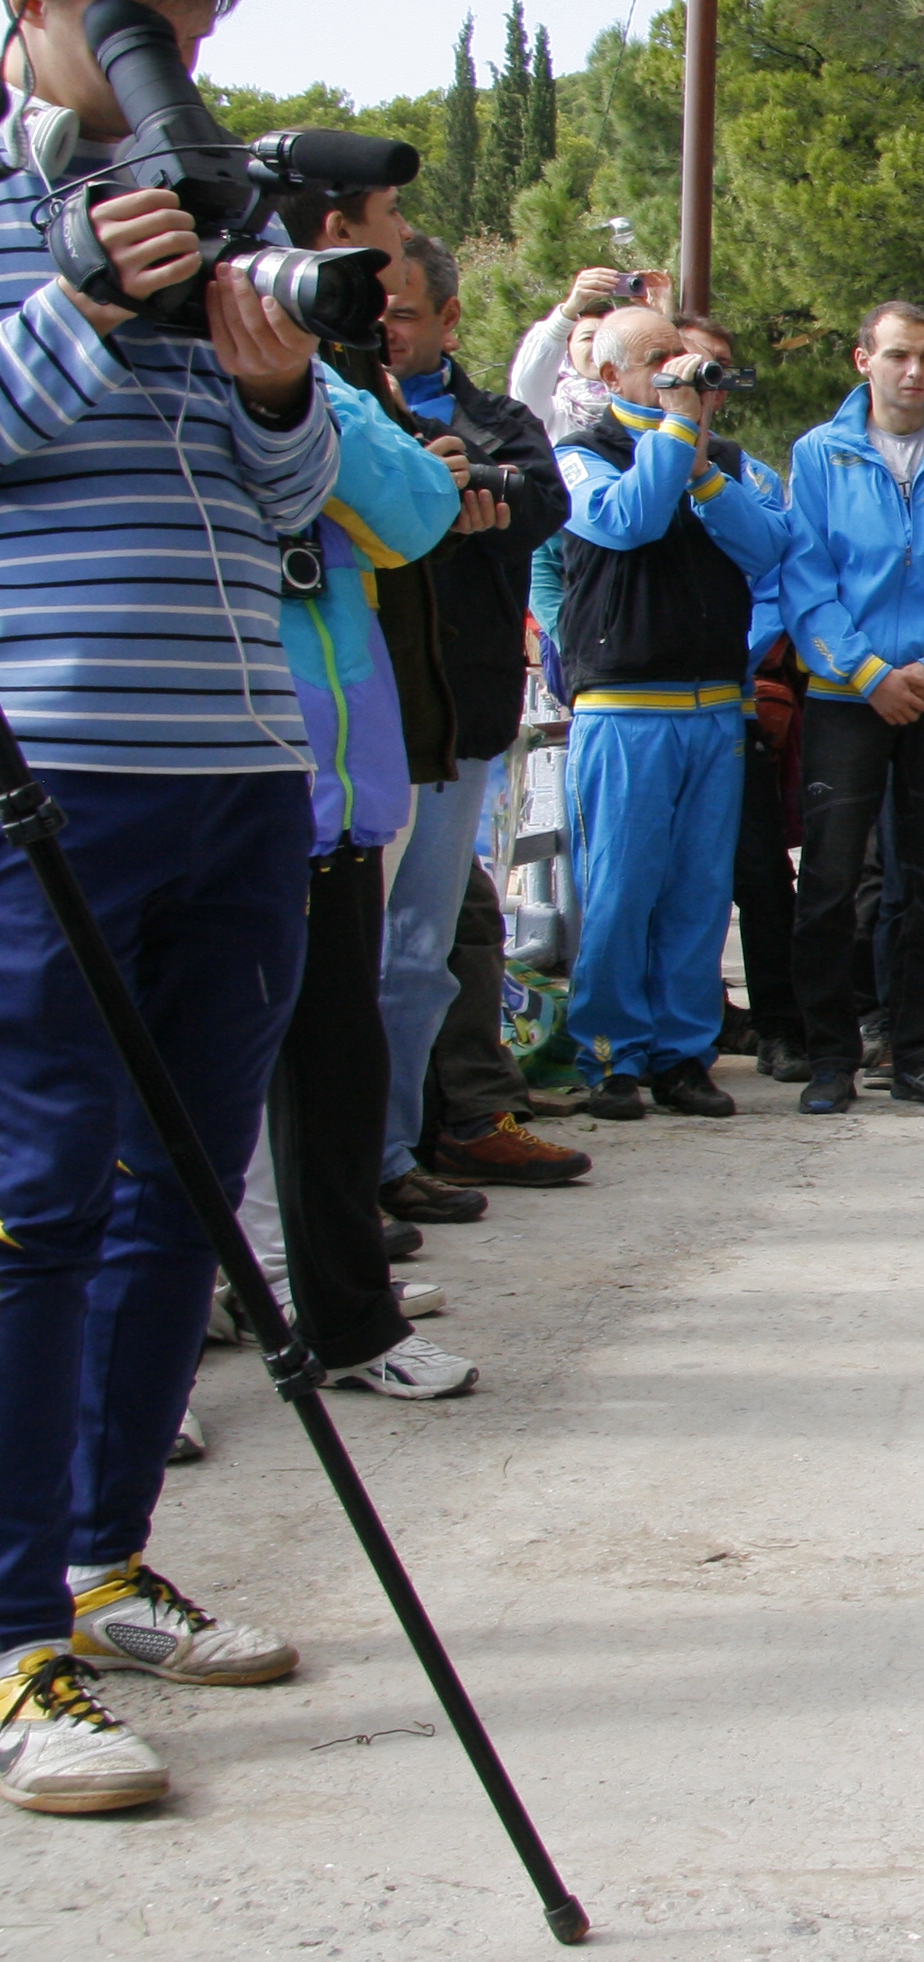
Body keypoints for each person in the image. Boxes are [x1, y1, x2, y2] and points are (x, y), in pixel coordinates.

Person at [0, 0, 344, 1808]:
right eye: (142, 35)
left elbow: (286, 525)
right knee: (35, 1199)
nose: (174, 78)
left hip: (240, 772)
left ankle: (104, 1560)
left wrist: (284, 390)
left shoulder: (197, 214)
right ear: (37, 7)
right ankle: (14, 1641)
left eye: (200, 43)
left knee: (180, 1203)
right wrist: (81, 309)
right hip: (58, 778)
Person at [259, 357, 476, 1400]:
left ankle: (344, 1319)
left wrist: (298, 383)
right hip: (188, 776)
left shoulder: (306, 370)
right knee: (152, 1089)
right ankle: (132, 1378)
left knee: (335, 1069)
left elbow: (416, 507)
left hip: (333, 790)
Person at [368, 233, 578, 1191]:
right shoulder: (326, 405)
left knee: (423, 952)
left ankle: (400, 1150)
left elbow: (540, 503)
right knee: (353, 956)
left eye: (404, 313)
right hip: (353, 717)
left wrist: (470, 483)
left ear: (450, 320)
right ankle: (354, 1166)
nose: (385, 330)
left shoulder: (496, 418)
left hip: (455, 724)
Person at [555, 306, 796, 1115]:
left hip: (714, 712)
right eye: (659, 358)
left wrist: (701, 469)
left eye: (685, 357)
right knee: (622, 889)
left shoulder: (721, 461)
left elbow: (769, 551)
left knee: (699, 892)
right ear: (610, 376)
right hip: (623, 709)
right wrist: (671, 440)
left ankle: (683, 1052)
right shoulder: (582, 455)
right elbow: (627, 521)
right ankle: (610, 1055)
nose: (679, 369)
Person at [781, 301, 924, 1114]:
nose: (913, 372)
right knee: (833, 880)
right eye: (897, 356)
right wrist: (869, 673)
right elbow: (806, 585)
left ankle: (921, 1052)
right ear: (862, 361)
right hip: (849, 696)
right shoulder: (819, 456)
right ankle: (830, 1057)